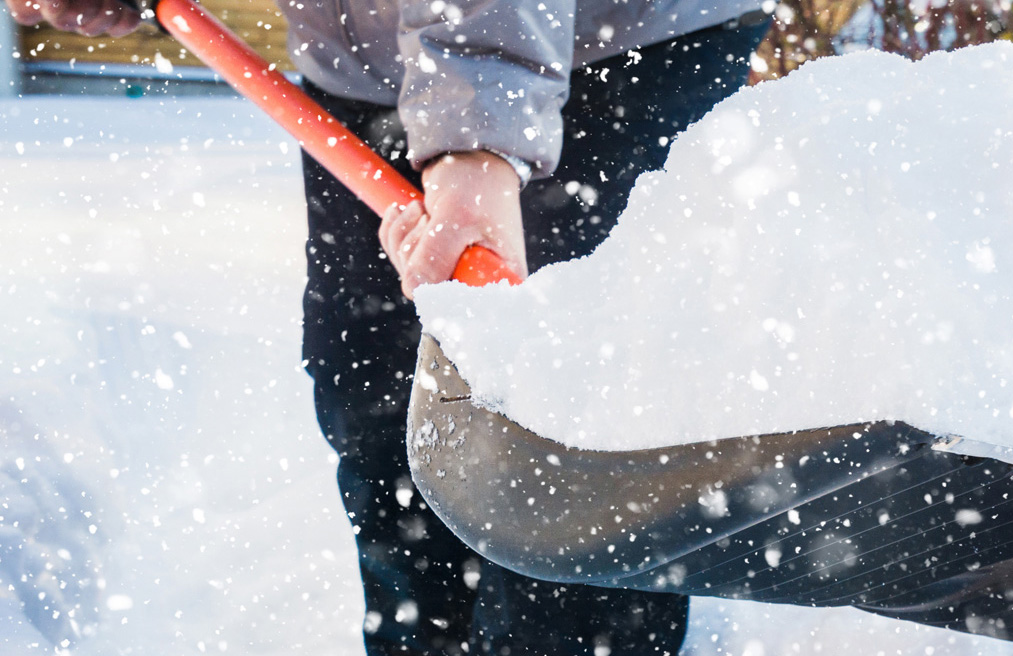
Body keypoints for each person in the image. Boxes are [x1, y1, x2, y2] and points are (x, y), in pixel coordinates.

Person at [8, 0, 769, 653]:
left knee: (567, 460)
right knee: (382, 406)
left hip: (621, 41)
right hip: (363, 57)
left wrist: (477, 131)